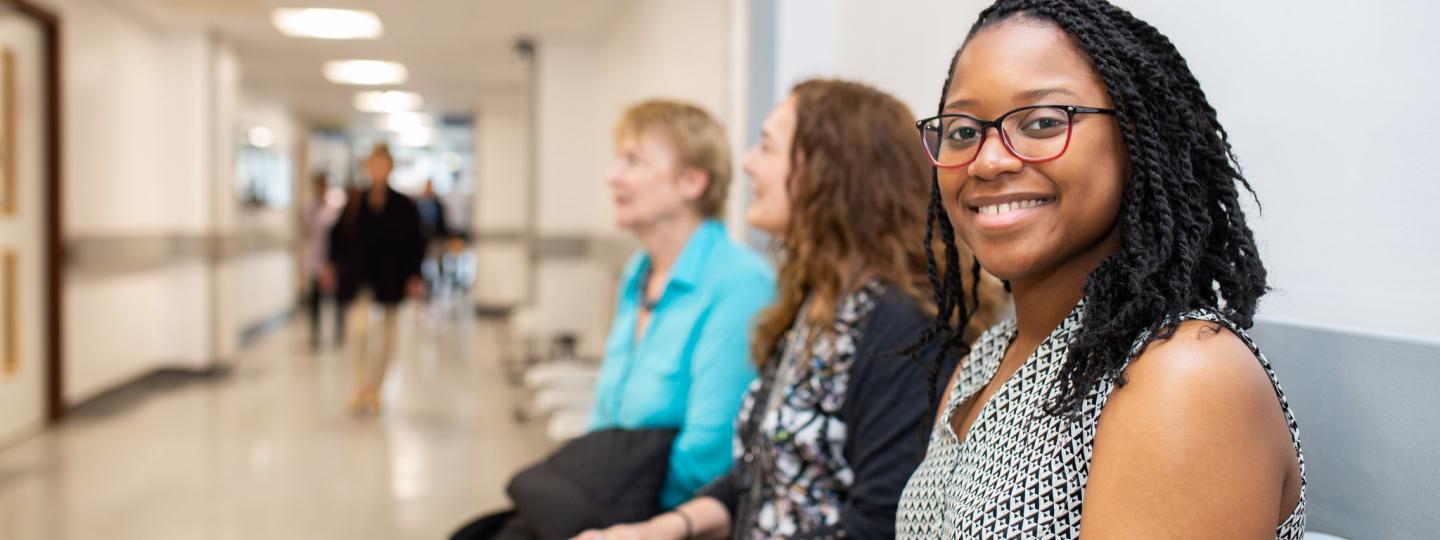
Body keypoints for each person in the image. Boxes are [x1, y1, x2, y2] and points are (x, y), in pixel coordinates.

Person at [893, 1, 1306, 538]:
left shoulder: (1183, 374)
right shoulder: (991, 354)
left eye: (1042, 121)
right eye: (963, 131)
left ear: (1135, 137)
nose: (988, 160)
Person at [578, 80, 1005, 540]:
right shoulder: (818, 303)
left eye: (766, 147)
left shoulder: (900, 326)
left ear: (830, 172)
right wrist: (666, 527)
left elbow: (880, 525)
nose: (746, 164)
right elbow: (760, 473)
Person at [326, 143, 426, 415]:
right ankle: (360, 386)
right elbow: (337, 237)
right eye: (373, 164)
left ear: (390, 167)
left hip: (392, 278)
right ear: (367, 168)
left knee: (387, 337)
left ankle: (376, 388)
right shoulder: (355, 201)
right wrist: (332, 267)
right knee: (358, 330)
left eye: (382, 164)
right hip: (359, 278)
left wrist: (415, 275)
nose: (377, 170)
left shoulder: (404, 205)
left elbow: (416, 242)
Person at [302, 172, 342, 349]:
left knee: (338, 298)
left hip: (334, 259)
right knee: (315, 299)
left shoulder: (336, 207)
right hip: (316, 259)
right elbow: (306, 229)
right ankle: (315, 335)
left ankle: (338, 333)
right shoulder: (309, 208)